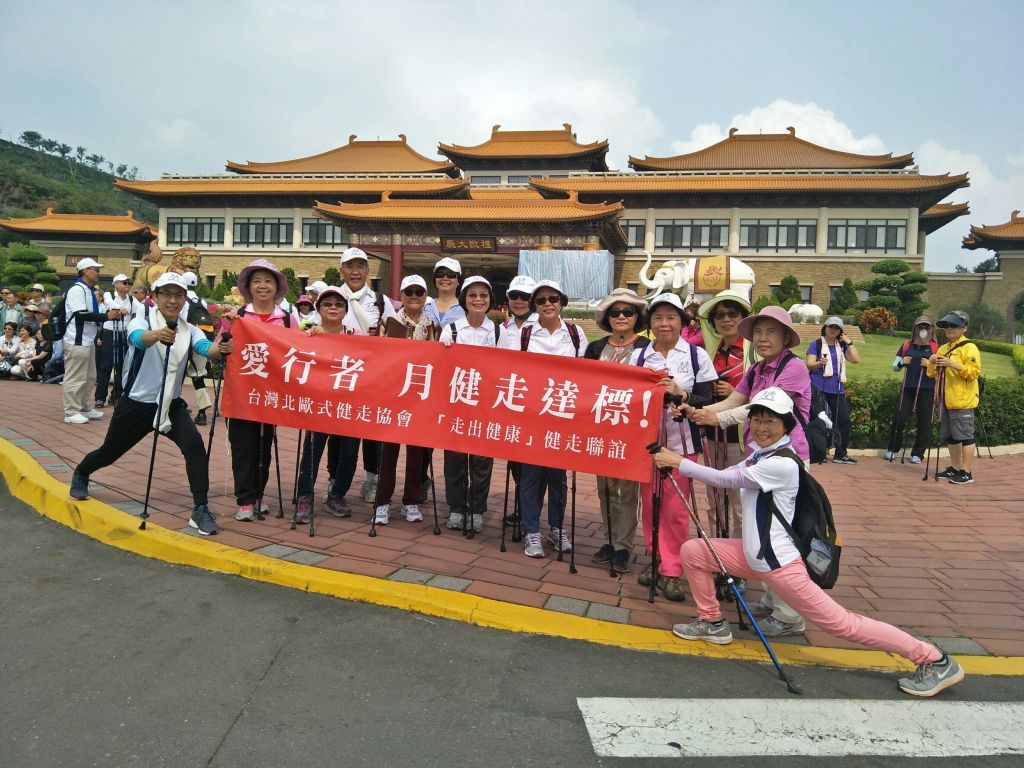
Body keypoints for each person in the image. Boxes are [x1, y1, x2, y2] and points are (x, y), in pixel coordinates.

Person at [654, 387, 965, 698]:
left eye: (771, 422)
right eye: (757, 420)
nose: (762, 428)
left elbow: (727, 480)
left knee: (843, 624)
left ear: (787, 426)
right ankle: (711, 622)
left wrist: (677, 462)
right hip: (753, 557)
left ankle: (933, 659)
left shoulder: (782, 463)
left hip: (779, 565)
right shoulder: (761, 454)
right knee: (695, 551)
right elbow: (730, 472)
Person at [69, 272, 233, 537]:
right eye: (166, 294)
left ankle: (200, 508)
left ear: (184, 298)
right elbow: (137, 339)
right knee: (110, 452)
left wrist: (222, 348)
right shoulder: (141, 320)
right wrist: (157, 335)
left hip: (169, 404)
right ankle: (82, 472)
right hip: (135, 404)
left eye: (178, 294)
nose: (172, 300)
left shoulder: (188, 329)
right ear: (155, 297)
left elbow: (205, 348)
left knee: (194, 446)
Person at [686, 304, 812, 636]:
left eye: (771, 331)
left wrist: (717, 417)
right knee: (763, 530)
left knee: (781, 535)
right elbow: (733, 401)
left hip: (787, 461)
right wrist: (699, 412)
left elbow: (755, 410)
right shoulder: (757, 370)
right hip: (760, 458)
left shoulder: (794, 367)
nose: (763, 338)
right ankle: (773, 601)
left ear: (786, 337)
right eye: (758, 332)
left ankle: (789, 615)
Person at [632, 293, 716, 600]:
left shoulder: (696, 356)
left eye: (671, 317)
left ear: (683, 322)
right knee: (651, 502)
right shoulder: (640, 356)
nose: (664, 323)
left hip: (682, 444)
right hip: (648, 444)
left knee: (677, 508)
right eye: (657, 318)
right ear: (650, 323)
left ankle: (672, 570)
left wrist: (682, 395)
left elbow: (709, 400)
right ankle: (655, 558)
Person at [516, 279, 588, 558]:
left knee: (558, 477)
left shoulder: (575, 332)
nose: (548, 304)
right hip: (532, 416)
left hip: (563, 414)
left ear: (562, 303)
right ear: (535, 305)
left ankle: (557, 527)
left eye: (553, 299)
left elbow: (583, 373)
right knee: (531, 476)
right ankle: (531, 531)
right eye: (542, 300)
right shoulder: (524, 333)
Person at [225, 259, 299, 521]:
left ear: (276, 286)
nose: (263, 286)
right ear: (248, 286)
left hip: (270, 395)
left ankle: (258, 494)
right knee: (242, 445)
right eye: (257, 281)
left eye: (268, 281)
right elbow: (222, 347)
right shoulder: (238, 317)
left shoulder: (288, 319)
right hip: (241, 393)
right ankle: (244, 500)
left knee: (264, 446)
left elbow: (298, 351)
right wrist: (226, 332)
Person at [585, 288, 650, 573]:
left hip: (633, 432)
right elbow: (583, 386)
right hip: (602, 429)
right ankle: (609, 540)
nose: (621, 317)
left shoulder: (646, 348)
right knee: (606, 488)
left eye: (628, 311)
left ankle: (624, 546)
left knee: (627, 491)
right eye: (615, 312)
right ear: (607, 317)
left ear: (637, 316)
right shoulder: (595, 348)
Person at [369, 274, 439, 525]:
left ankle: (410, 501)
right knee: (388, 452)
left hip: (420, 398)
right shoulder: (389, 324)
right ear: (401, 295)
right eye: (408, 292)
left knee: (417, 454)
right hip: (393, 397)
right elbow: (376, 356)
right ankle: (382, 502)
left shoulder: (433, 326)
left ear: (425, 296)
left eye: (419, 292)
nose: (414, 296)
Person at [294, 287, 366, 523]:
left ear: (345, 311)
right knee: (312, 451)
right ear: (319, 309)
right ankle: (304, 496)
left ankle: (337, 494)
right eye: (327, 304)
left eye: (338, 304)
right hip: (319, 404)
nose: (333, 308)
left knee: (349, 452)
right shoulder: (310, 335)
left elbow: (372, 358)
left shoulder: (356, 335)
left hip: (349, 405)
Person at [439, 276, 502, 533]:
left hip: (486, 406)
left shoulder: (500, 332)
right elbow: (442, 367)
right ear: (464, 299)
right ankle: (456, 507)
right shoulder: (451, 329)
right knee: (454, 457)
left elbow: (506, 370)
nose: (478, 299)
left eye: (483, 295)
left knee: (481, 460)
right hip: (457, 404)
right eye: (472, 295)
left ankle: (476, 508)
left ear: (490, 300)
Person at [337, 246, 397, 504]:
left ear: (367, 270)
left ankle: (372, 480)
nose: (355, 271)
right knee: (337, 431)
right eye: (350, 266)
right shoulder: (331, 297)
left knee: (373, 432)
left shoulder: (380, 301)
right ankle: (334, 479)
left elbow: (397, 336)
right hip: (340, 376)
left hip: (373, 378)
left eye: (360, 266)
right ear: (342, 270)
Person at [698, 289, 757, 542]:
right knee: (714, 500)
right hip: (712, 435)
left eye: (733, 314)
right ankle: (719, 556)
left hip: (742, 438)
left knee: (740, 504)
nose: (726, 319)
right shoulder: (709, 352)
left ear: (743, 318)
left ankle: (741, 562)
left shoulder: (755, 352)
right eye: (720, 315)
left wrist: (736, 392)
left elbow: (768, 397)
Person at [62, 258, 122, 425]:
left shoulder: (88, 290)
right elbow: (80, 314)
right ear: (86, 270)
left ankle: (84, 407)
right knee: (75, 377)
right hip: (76, 340)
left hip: (87, 340)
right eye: (95, 269)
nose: (98, 272)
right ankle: (71, 411)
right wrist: (106, 316)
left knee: (89, 377)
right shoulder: (77, 290)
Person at [927, 311, 982, 485]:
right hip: (945, 401)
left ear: (964, 328)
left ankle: (966, 472)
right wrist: (932, 361)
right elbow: (931, 373)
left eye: (954, 326)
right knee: (951, 436)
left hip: (962, 400)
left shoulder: (969, 347)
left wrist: (953, 364)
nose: (949, 329)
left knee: (965, 436)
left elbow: (973, 372)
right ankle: (955, 468)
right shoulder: (943, 348)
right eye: (946, 326)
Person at [806, 316, 860, 464]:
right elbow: (809, 364)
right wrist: (819, 363)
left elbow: (855, 359)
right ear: (825, 327)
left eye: (836, 328)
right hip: (818, 388)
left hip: (837, 389)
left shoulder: (842, 346)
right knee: (819, 421)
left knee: (844, 421)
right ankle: (819, 451)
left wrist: (849, 342)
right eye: (830, 327)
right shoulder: (816, 344)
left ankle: (841, 453)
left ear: (840, 331)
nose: (833, 330)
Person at [885, 316, 939, 463]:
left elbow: (940, 369)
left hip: (927, 388)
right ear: (915, 328)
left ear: (931, 329)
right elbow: (895, 367)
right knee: (899, 418)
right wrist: (903, 362)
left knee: (924, 422)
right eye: (920, 327)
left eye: (926, 327)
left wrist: (929, 364)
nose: (923, 330)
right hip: (908, 388)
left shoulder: (935, 347)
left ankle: (918, 453)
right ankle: (892, 449)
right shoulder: (907, 346)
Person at [95, 274, 134, 407]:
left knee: (121, 366)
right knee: (106, 365)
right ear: (116, 284)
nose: (127, 285)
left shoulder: (132, 300)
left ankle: (116, 395)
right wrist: (119, 308)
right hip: (109, 332)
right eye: (124, 282)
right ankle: (100, 397)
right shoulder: (109, 295)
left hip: (124, 333)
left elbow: (142, 309)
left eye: (129, 282)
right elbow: (109, 304)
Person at [424, 257, 465, 328]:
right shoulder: (425, 307)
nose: (445, 278)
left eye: (451, 274)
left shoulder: (466, 308)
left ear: (459, 281)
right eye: (440, 274)